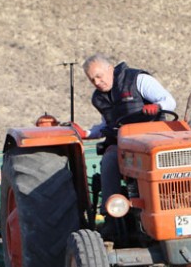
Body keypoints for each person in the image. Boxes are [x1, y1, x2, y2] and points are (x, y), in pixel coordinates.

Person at [71, 53, 176, 220]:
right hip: (123, 145)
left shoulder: (137, 80)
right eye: (92, 80)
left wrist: (157, 106)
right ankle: (112, 216)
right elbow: (106, 125)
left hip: (152, 138)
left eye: (99, 76)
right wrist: (86, 134)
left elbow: (169, 101)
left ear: (110, 68)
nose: (97, 82)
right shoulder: (99, 98)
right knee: (109, 158)